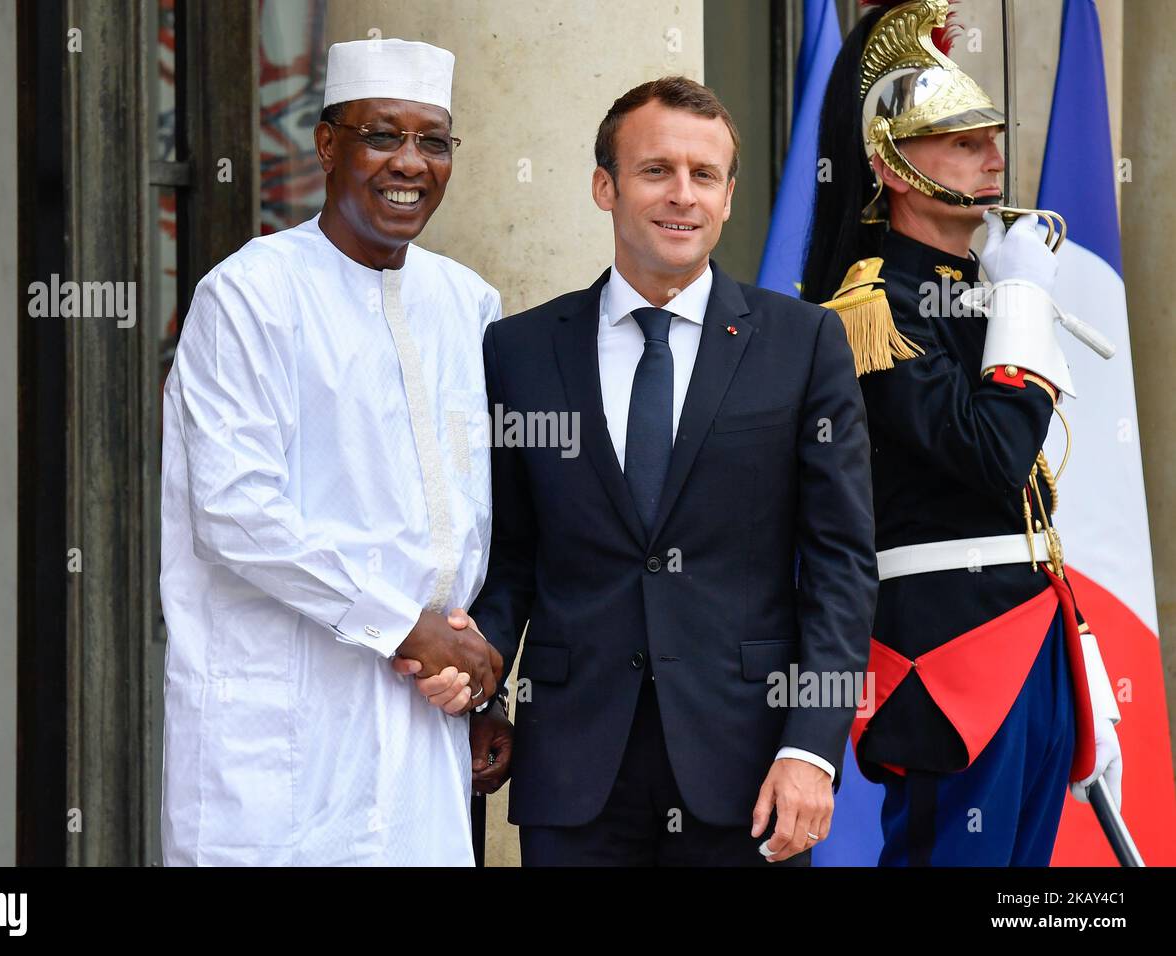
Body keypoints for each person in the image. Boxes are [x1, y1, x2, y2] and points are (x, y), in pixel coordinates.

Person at [421, 76, 878, 866]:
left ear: (730, 196)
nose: (683, 196)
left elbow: (841, 568)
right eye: (656, 170)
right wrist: (479, 686)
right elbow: (509, 556)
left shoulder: (802, 345)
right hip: (571, 770)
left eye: (705, 175)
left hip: (750, 771)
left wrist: (810, 748)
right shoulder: (520, 351)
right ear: (606, 185)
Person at [159, 37, 506, 865]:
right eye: (382, 135)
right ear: (327, 144)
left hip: (421, 726)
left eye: (432, 141)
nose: (409, 164)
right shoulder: (248, 294)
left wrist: (477, 674)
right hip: (279, 735)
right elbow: (234, 513)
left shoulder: (468, 304)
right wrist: (402, 624)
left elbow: (477, 520)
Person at [802, 0, 1122, 866]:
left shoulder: (976, 284)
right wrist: (1021, 305)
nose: (995, 158)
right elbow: (991, 454)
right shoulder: (869, 310)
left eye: (992, 136)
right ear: (895, 165)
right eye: (963, 141)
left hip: (1031, 634)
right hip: (943, 652)